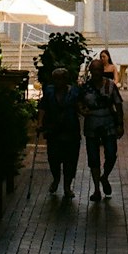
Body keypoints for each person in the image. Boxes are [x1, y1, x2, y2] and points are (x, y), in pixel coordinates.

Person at [80, 56, 124, 201]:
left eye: (99, 69)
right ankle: (97, 189)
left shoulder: (110, 85)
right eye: (94, 70)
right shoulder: (85, 87)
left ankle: (104, 176)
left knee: (111, 154)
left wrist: (120, 124)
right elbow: (78, 103)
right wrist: (82, 110)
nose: (97, 72)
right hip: (92, 123)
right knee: (93, 157)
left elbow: (118, 104)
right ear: (91, 71)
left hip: (108, 122)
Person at [37, 66, 81, 200]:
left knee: (70, 160)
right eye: (55, 79)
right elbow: (43, 107)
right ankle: (56, 179)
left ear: (65, 80)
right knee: (53, 159)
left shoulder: (74, 92)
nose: (57, 82)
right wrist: (40, 123)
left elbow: (79, 106)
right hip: (53, 131)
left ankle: (67, 186)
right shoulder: (49, 91)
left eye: (59, 79)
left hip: (70, 130)